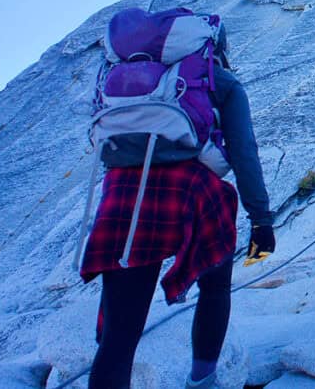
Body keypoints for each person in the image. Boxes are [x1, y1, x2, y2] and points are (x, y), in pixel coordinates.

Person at [80, 21, 274, 389]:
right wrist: (261, 221)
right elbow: (244, 153)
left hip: (123, 192)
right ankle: (202, 380)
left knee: (120, 333)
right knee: (214, 287)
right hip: (194, 191)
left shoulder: (126, 79)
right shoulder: (219, 81)